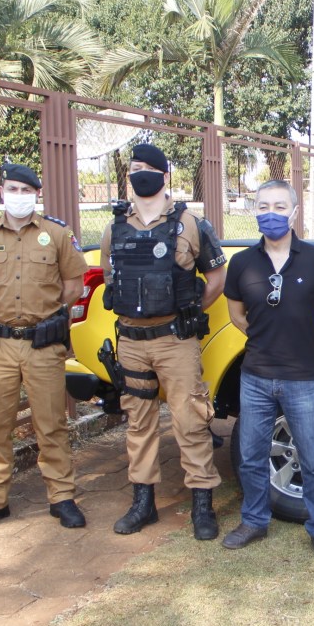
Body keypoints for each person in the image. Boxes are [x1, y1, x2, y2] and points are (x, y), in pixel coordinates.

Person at [100, 144, 227, 540]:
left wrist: (188, 310)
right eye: (133, 168)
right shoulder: (115, 226)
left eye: (147, 168)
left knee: (191, 419)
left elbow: (217, 278)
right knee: (138, 424)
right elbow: (109, 276)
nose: (139, 174)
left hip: (175, 340)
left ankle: (202, 504)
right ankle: (143, 503)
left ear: (163, 175)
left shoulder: (190, 224)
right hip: (132, 342)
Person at [222, 179, 314, 564]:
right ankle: (254, 521)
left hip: (304, 379)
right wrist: (266, 340)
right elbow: (236, 315)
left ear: (294, 211)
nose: (271, 213)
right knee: (251, 455)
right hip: (256, 377)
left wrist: (311, 342)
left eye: (279, 206)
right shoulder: (241, 263)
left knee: (313, 458)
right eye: (263, 206)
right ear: (254, 210)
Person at [0, 163, 88, 531]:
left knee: (51, 424)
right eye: (12, 189)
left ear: (36, 194)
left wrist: (42, 314)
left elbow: (73, 286)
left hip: (42, 345)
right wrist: (1, 314)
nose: (18, 196)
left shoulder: (56, 234)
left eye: (25, 191)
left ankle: (62, 497)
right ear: (2, 192)